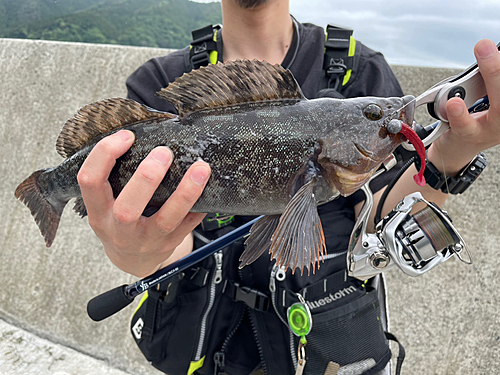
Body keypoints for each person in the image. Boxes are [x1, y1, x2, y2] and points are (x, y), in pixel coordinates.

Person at [77, 0, 500, 374]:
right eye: (375, 117)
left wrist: (454, 151)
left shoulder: (362, 71)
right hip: (212, 348)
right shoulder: (158, 82)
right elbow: (157, 233)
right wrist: (141, 251)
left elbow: (377, 217)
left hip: (324, 349)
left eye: (375, 116)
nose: (384, 119)